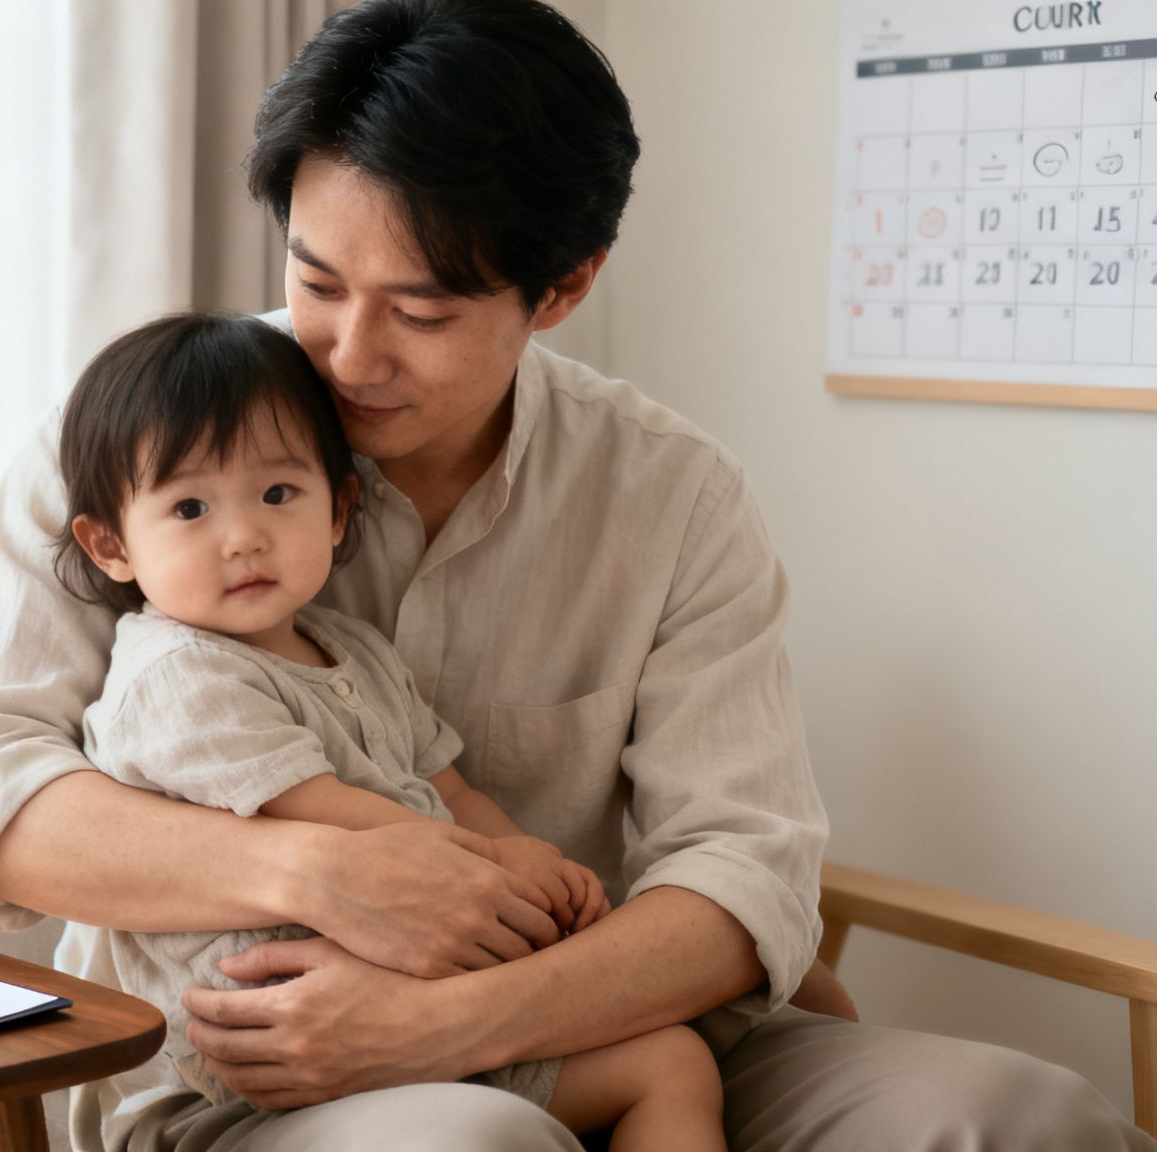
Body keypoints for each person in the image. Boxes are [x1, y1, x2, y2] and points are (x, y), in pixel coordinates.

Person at [0, 1, 1157, 1148]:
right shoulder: (140, 456)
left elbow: (737, 866)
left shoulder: (671, 498)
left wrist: (455, 1021)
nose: (347, 353)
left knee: (1025, 1112)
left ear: (561, 287)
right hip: (260, 1057)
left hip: (593, 1018)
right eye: (315, 280)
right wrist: (318, 873)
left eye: (423, 312)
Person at [49, 309, 724, 1150]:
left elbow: (451, 787)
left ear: (339, 510)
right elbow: (321, 810)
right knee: (580, 1094)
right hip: (257, 1067)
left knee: (674, 1063)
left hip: (414, 1013)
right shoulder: (176, 674)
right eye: (190, 507)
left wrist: (532, 863)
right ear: (111, 544)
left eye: (278, 493)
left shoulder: (352, 650)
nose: (245, 536)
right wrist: (496, 877)